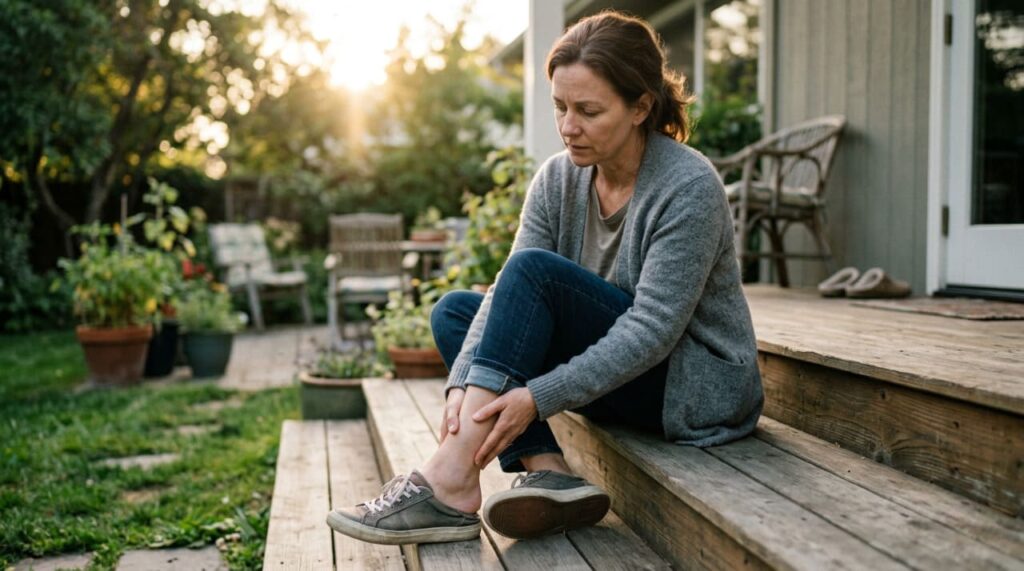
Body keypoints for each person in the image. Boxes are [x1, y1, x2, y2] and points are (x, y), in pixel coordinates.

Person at [326, 10, 763, 545]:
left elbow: (654, 329)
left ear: (640, 107)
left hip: (690, 388)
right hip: (621, 373)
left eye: (589, 110)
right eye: (560, 107)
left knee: (534, 274)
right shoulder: (558, 178)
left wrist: (537, 396)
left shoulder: (688, 185)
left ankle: (450, 479)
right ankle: (550, 469)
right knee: (456, 313)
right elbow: (502, 294)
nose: (567, 127)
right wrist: (463, 387)